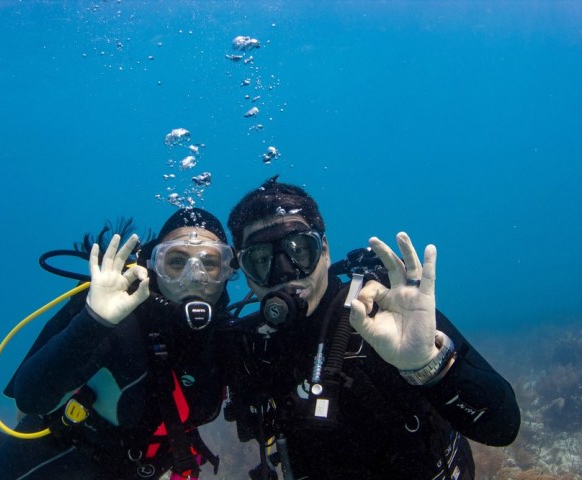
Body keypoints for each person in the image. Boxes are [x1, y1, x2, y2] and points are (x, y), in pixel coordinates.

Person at [0, 208, 235, 480]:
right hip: (63, 449)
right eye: (176, 262)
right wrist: (94, 322)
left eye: (210, 263)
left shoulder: (228, 338)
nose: (195, 277)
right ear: (154, 266)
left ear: (229, 270)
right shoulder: (117, 320)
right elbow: (30, 398)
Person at [222, 176, 521, 479]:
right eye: (260, 260)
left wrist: (428, 365)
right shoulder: (249, 346)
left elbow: (503, 428)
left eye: (300, 250)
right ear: (244, 272)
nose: (284, 273)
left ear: (324, 250)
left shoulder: (386, 310)